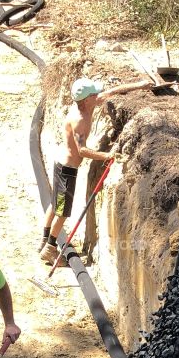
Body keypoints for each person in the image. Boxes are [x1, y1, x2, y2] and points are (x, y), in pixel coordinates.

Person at [40, 75, 153, 265]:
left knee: (55, 203)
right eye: (94, 93)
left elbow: (112, 91)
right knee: (63, 211)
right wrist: (107, 156)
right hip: (67, 170)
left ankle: (44, 239)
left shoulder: (87, 105)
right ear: (86, 99)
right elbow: (82, 151)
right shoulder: (80, 120)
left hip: (61, 164)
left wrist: (140, 85)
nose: (99, 94)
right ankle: (49, 249)